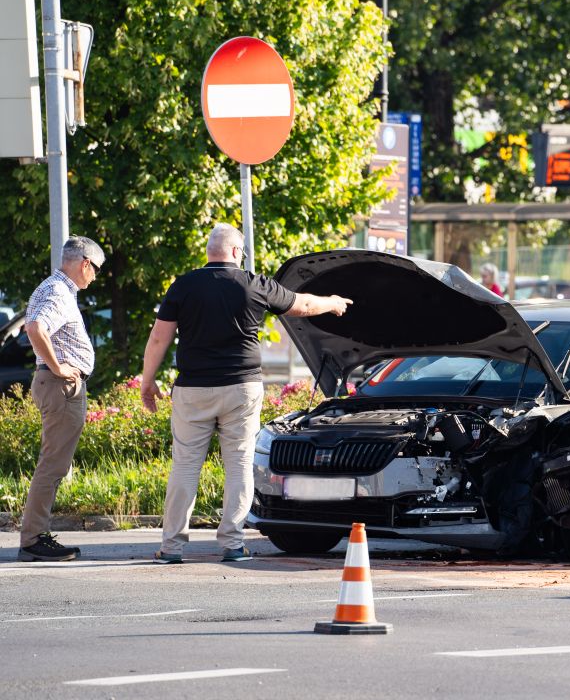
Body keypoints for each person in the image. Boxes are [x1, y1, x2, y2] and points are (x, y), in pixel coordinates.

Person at [140, 224, 354, 563]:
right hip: (241, 388)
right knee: (238, 463)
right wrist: (331, 302)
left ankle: (171, 547)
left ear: (210, 251)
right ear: (237, 252)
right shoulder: (255, 284)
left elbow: (158, 338)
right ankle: (232, 544)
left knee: (185, 465)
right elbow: (303, 305)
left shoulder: (184, 285)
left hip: (193, 389)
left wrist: (147, 381)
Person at [17, 236, 105, 561]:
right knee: (53, 465)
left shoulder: (54, 288)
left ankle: (34, 535)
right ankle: (33, 540)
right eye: (95, 269)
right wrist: (58, 366)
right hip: (60, 385)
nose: (95, 276)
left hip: (58, 385)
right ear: (85, 264)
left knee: (53, 464)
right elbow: (35, 327)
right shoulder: (58, 292)